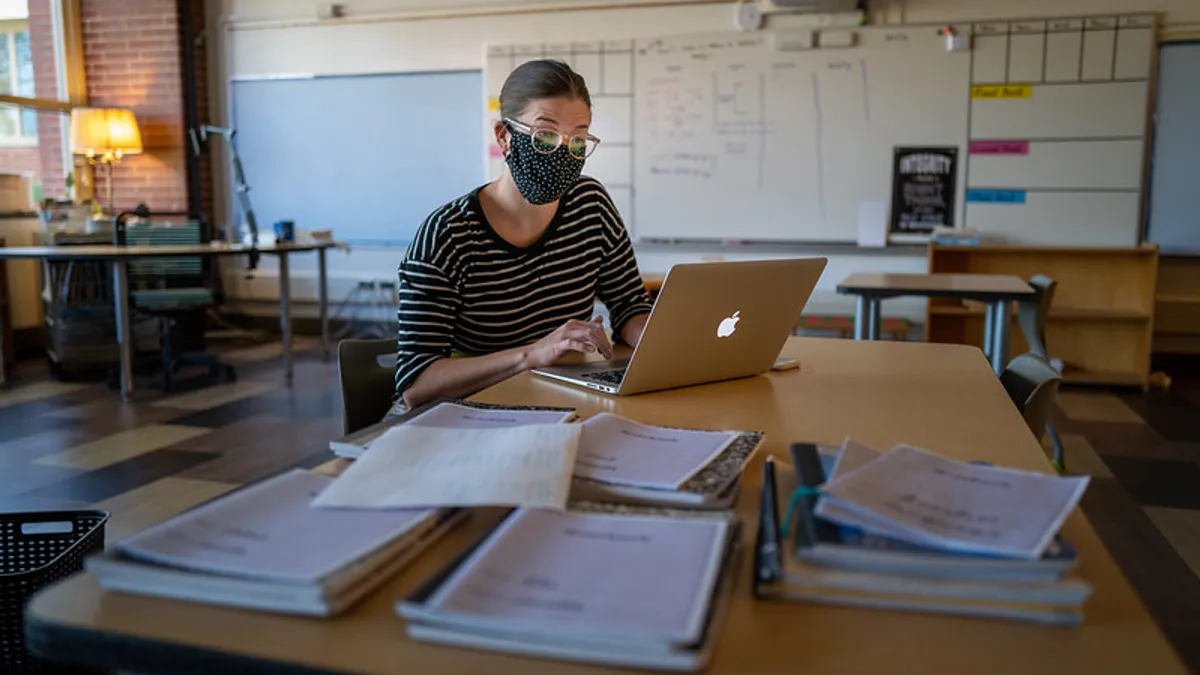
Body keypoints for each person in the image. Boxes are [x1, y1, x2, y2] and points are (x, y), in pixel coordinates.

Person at [394, 59, 652, 409]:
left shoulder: (590, 204)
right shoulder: (447, 235)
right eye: (545, 135)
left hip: (560, 400)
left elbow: (628, 306)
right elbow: (416, 382)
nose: (564, 151)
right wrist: (532, 354)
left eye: (578, 139)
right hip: (472, 413)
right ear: (504, 135)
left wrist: (662, 341)